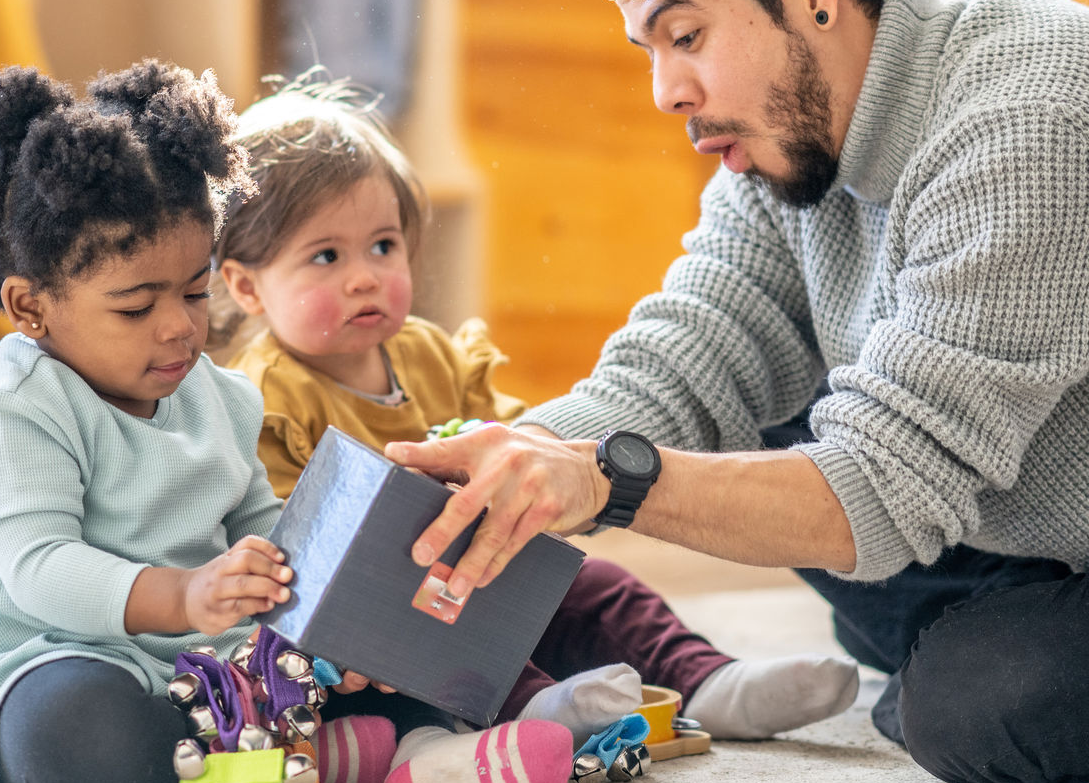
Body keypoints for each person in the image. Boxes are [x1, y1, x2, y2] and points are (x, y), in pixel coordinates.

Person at [386, 0, 1089, 783]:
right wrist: (499, 472)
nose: (665, 91)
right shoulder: (779, 141)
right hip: (1007, 526)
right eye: (650, 50)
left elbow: (880, 483)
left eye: (685, 35)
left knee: (974, 707)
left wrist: (607, 479)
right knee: (778, 446)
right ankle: (950, 638)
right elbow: (685, 353)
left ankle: (947, 661)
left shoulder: (1024, 117)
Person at [0, 59, 571, 783]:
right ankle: (309, 755)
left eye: (192, 290)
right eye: (136, 306)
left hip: (217, 668)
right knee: (81, 731)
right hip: (53, 659)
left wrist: (331, 607)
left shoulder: (219, 396)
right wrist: (184, 593)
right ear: (31, 307)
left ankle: (405, 753)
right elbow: (40, 569)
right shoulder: (18, 410)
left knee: (381, 660)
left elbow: (260, 525)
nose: (181, 325)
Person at [214, 72, 859, 745]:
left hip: (480, 561)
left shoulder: (432, 354)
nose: (363, 276)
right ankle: (536, 710)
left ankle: (708, 680)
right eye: (325, 256)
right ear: (246, 286)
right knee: (456, 614)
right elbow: (289, 545)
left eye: (383, 245)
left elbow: (513, 443)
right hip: (364, 622)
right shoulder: (264, 395)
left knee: (600, 586)